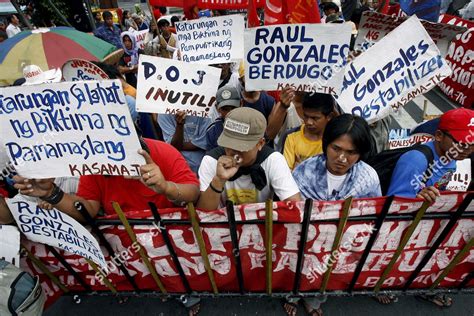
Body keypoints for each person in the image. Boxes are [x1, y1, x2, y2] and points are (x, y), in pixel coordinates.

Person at [286, 114, 380, 316]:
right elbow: (291, 212)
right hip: (305, 240)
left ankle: (314, 299)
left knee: (327, 275)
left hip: (342, 244)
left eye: (351, 152)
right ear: (325, 144)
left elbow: (373, 213)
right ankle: (291, 296)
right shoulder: (304, 171)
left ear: (361, 153)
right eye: (336, 149)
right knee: (297, 267)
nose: (342, 159)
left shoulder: (368, 178)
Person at [13, 135, 200, 222]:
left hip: (171, 235)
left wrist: (166, 187)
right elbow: (88, 210)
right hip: (126, 244)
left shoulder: (163, 151)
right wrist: (51, 193)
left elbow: (193, 193)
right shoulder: (95, 164)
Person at [197, 107, 301, 210]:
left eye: (241, 146)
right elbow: (203, 214)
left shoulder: (273, 160)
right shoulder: (211, 160)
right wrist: (218, 180)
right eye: (229, 144)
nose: (234, 151)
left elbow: (295, 207)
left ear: (260, 143)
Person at [387, 108, 474, 203]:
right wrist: (417, 200)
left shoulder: (453, 156)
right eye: (462, 143)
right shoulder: (415, 161)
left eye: (473, 144)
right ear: (439, 135)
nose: (469, 149)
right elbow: (395, 205)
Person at [283, 92, 336, 170]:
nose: (309, 122)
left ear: (329, 116)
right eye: (306, 116)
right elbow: (286, 173)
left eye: (315, 118)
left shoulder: (336, 140)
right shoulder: (292, 138)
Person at [205, 85, 242, 150]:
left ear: (241, 104)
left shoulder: (252, 125)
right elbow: (210, 156)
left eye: (233, 108)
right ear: (217, 108)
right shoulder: (212, 131)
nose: (230, 112)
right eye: (225, 109)